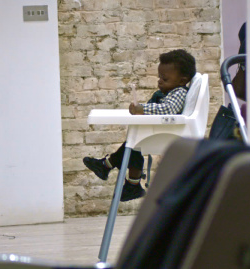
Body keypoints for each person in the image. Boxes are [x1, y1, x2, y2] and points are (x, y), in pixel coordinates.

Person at [83, 49, 197, 202]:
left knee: (133, 144)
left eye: (165, 78)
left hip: (165, 135)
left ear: (182, 80)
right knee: (133, 143)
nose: (160, 81)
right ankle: (130, 183)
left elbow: (168, 109)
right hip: (159, 132)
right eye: (159, 77)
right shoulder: (171, 92)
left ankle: (109, 167)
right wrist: (140, 108)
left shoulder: (179, 93)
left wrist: (142, 108)